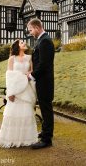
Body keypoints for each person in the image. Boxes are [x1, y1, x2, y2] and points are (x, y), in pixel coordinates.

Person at [0, 40, 38, 148]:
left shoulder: (29, 58)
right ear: (17, 47)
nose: (24, 43)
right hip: (15, 90)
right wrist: (11, 92)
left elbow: (31, 72)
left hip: (26, 89)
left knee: (26, 113)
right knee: (14, 113)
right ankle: (12, 138)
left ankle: (25, 138)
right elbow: (9, 76)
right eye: (21, 43)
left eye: (24, 42)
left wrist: (26, 76)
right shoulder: (12, 59)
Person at [27, 18, 55, 149]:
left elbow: (44, 64)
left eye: (31, 30)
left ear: (37, 28)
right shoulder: (41, 40)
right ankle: (45, 132)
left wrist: (31, 75)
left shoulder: (45, 41)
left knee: (46, 109)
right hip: (42, 81)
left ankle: (46, 139)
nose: (30, 33)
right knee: (44, 109)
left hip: (45, 82)